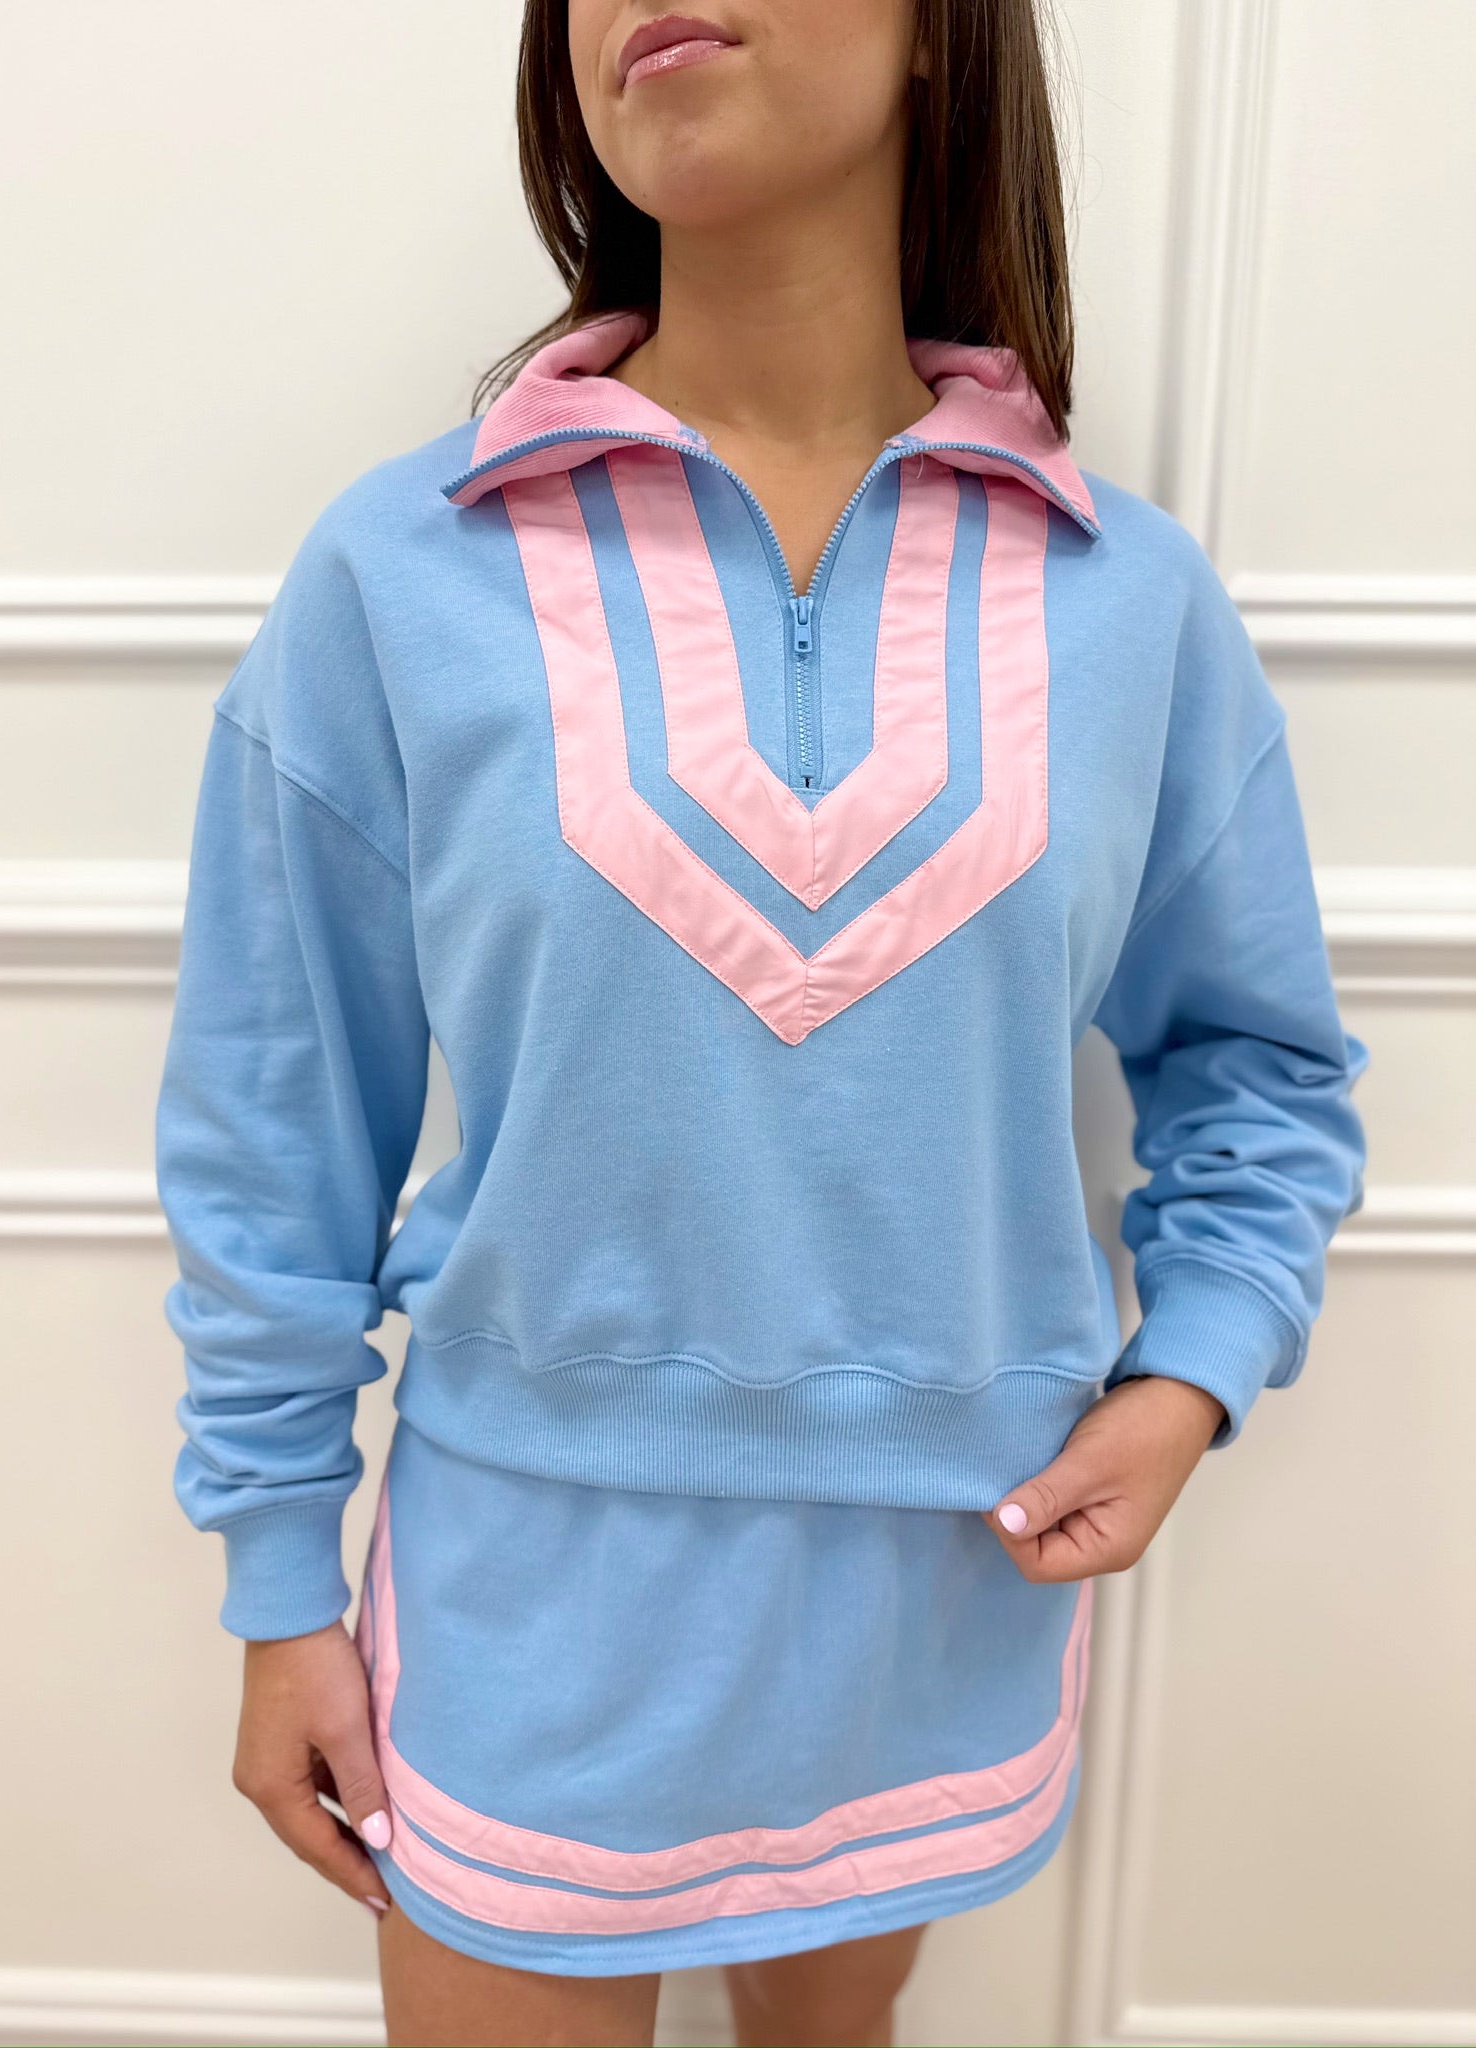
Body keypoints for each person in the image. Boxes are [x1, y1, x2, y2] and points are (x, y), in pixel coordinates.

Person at [153, 2, 1370, 2042]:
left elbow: (1262, 1065)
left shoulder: (1129, 598)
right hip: (528, 1609)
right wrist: (278, 1578)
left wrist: (1195, 1372)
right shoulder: (396, 573)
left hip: (944, 1601)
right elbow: (275, 1127)